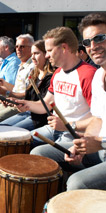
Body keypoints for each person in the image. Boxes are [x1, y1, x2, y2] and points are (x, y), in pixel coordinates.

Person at [31, 13, 106, 191]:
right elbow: (97, 120)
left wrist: (98, 143)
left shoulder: (88, 74)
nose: (93, 46)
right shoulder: (97, 76)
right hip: (98, 148)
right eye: (87, 42)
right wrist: (83, 144)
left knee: (77, 182)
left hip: (101, 146)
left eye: (100, 38)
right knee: (38, 152)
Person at [17, 26, 96, 148]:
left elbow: (100, 119)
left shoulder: (89, 75)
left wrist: (68, 125)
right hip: (53, 129)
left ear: (64, 48)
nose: (47, 56)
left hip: (77, 136)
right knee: (20, 141)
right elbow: (46, 104)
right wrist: (25, 104)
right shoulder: (58, 73)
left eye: (49, 50)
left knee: (37, 153)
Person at [0, 40, 54, 130]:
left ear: (46, 55)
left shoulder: (51, 77)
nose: (32, 57)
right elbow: (27, 97)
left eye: (36, 53)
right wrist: (14, 101)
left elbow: (44, 105)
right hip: (28, 112)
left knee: (7, 131)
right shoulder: (34, 73)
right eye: (32, 54)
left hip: (41, 118)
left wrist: (10, 94)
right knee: (0, 126)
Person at [0, 34, 34, 122]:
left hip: (21, 105)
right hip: (12, 100)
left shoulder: (31, 67)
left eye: (22, 46)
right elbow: (15, 88)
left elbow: (27, 95)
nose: (18, 49)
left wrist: (7, 93)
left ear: (31, 48)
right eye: (17, 46)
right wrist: (3, 84)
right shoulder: (21, 64)